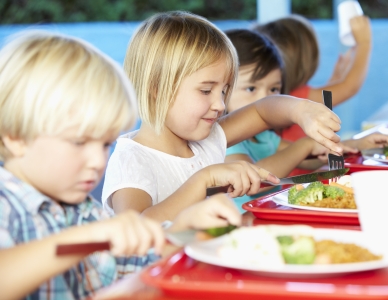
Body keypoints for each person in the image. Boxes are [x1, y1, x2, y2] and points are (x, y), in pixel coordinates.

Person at [0, 30, 241, 300]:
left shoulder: (83, 211)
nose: (98, 161)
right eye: (79, 142)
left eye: (104, 144)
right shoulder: (7, 207)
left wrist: (183, 231)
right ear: (16, 137)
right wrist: (84, 240)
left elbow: (134, 264)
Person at [102, 11, 343, 221]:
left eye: (225, 90)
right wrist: (203, 180)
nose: (219, 104)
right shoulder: (131, 160)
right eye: (206, 91)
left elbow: (263, 112)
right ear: (156, 88)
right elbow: (136, 229)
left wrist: (301, 110)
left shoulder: (206, 140)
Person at [224, 29, 388, 209]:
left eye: (273, 89)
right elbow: (254, 182)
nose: (265, 98)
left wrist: (356, 145)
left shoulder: (263, 136)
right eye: (251, 89)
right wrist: (305, 145)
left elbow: (305, 158)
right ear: (222, 88)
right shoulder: (226, 141)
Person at [254, 14, 372, 141]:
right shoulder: (297, 97)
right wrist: (364, 43)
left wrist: (335, 80)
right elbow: (350, 87)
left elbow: (324, 101)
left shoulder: (279, 96)